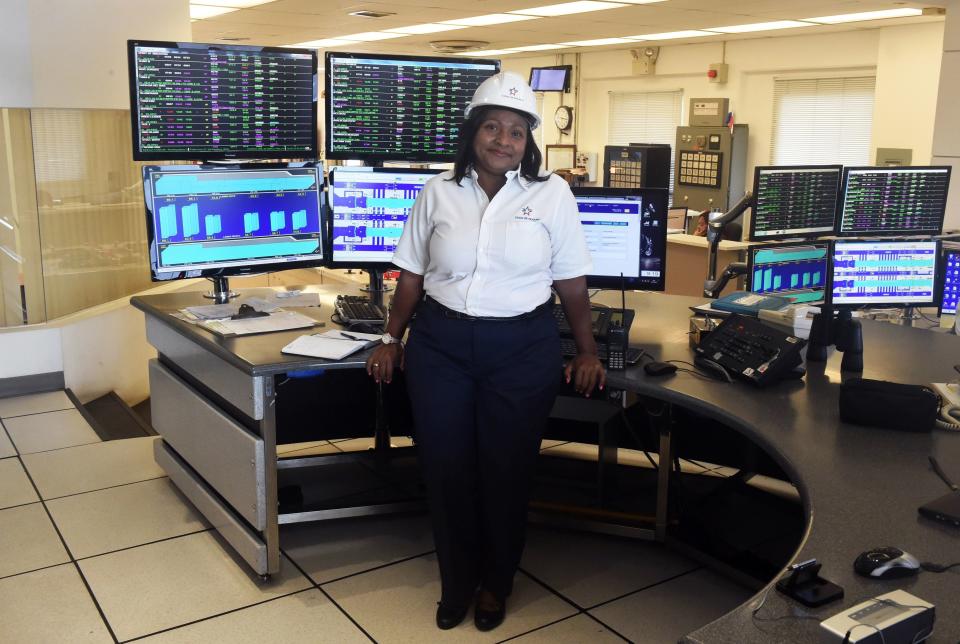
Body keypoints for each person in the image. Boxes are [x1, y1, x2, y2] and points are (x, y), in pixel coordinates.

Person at [365, 71, 604, 632]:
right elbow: (412, 277)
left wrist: (588, 351)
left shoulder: (552, 194)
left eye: (516, 131)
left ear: (529, 141)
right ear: (473, 132)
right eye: (493, 127)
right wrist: (390, 338)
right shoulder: (438, 192)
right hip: (441, 346)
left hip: (522, 348)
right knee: (446, 470)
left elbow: (571, 282)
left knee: (506, 470)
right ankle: (457, 583)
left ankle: (497, 583)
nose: (503, 140)